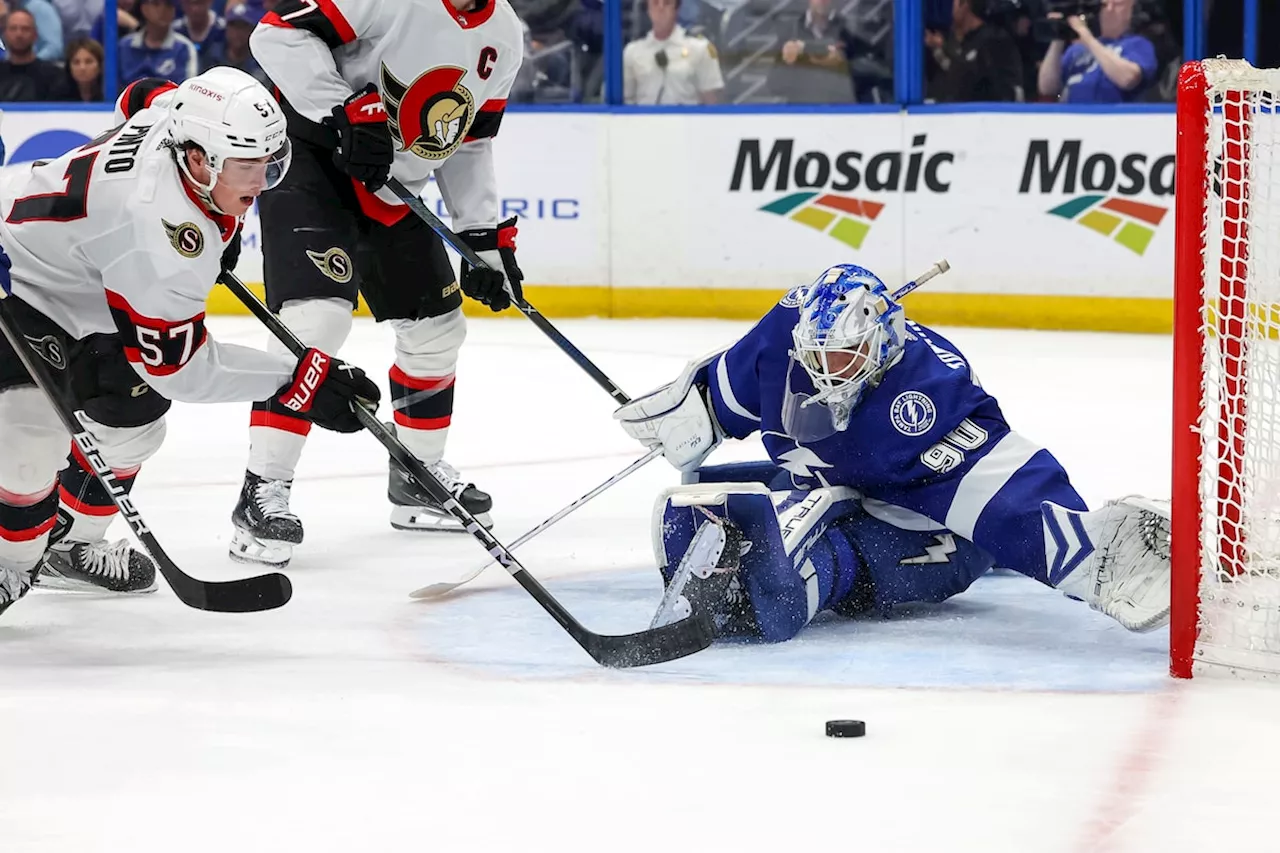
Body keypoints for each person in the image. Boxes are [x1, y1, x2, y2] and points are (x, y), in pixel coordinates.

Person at [615, 264, 1171, 642]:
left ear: (880, 342)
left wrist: (1088, 553)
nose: (826, 373)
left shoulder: (926, 398)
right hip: (827, 480)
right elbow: (723, 391)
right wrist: (699, 407)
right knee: (727, 498)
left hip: (925, 520)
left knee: (839, 559)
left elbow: (1004, 492)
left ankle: (808, 571)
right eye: (818, 357)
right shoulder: (783, 342)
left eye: (844, 358)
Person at [0, 67, 380, 614]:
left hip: (92, 280)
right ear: (198, 160)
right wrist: (299, 378)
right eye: (247, 167)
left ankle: (73, 548)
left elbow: (141, 93)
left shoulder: (184, 119)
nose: (261, 182)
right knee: (29, 434)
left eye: (271, 164)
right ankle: (11, 563)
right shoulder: (156, 230)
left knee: (135, 419)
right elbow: (181, 369)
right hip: (20, 278)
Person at [231, 0, 525, 567]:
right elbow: (275, 36)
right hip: (314, 163)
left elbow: (469, 141)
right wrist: (341, 109)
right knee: (314, 322)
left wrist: (481, 240)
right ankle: (260, 491)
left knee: (437, 331)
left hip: (393, 188)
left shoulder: (504, 32)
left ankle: (417, 474)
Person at [1037, 0, 1156, 104]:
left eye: (1118, 4)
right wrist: (1058, 37)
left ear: (1132, 11)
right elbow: (1047, 87)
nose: (1110, 8)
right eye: (1105, 4)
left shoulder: (1138, 44)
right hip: (1073, 119)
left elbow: (1128, 78)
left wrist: (1086, 36)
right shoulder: (1077, 50)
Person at [622, 0, 722, 106]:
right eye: (655, 3)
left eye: (667, 3)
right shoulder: (633, 51)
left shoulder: (700, 48)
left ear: (677, 9)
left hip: (688, 120)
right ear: (648, 9)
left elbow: (712, 101)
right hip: (644, 121)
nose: (660, 8)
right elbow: (628, 100)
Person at [925, 0, 1023, 103]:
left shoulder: (994, 40)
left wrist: (942, 54)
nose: (946, 10)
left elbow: (970, 81)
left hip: (985, 113)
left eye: (951, 3)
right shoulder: (950, 42)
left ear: (964, 4)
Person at [770, 0, 856, 103]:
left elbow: (861, 79)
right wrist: (788, 63)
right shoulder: (791, 33)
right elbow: (774, 86)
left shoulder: (846, 31)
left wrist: (843, 65)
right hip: (802, 112)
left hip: (838, 112)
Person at [118, 0, 198, 87]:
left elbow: (187, 90)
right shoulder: (124, 46)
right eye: (156, 4)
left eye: (168, 5)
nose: (163, 10)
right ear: (144, 8)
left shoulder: (184, 48)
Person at [0, 9, 65, 101]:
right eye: (13, 28)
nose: (19, 34)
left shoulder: (54, 76)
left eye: (25, 29)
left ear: (35, 35)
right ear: (5, 34)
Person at [217, 3, 266, 83]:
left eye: (243, 27)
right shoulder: (212, 56)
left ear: (251, 30)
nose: (238, 33)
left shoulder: (260, 62)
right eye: (234, 26)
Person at [173, 0, 226, 71]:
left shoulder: (223, 29)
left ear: (209, 2)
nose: (195, 9)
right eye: (189, 4)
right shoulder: (175, 30)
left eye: (199, 3)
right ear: (182, 4)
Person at [52, 37, 106, 102]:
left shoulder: (112, 92)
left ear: (100, 65)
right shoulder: (58, 94)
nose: (82, 68)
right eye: (76, 62)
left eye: (89, 62)